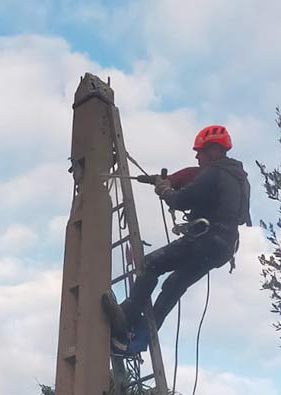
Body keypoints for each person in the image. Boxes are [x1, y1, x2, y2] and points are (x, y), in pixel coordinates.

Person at [105, 125, 252, 354]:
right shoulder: (239, 178)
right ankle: (138, 341)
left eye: (200, 152)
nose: (197, 156)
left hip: (206, 239)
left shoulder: (214, 172)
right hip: (223, 247)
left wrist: (165, 191)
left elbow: (182, 200)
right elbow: (199, 183)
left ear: (213, 150)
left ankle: (127, 316)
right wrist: (168, 180)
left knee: (152, 263)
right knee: (174, 285)